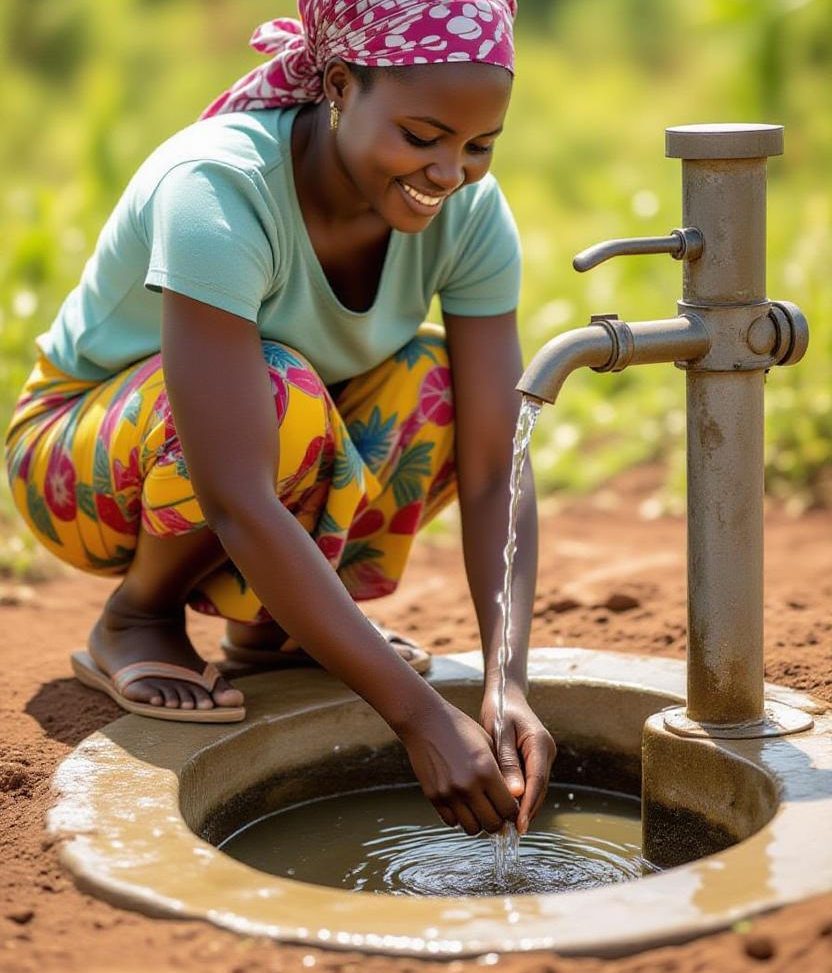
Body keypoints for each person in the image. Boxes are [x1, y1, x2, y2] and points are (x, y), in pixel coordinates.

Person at [4, 0, 556, 837]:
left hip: (273, 439)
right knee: (280, 388)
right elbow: (235, 492)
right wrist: (417, 716)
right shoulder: (219, 188)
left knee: (439, 383)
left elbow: (493, 467)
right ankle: (137, 615)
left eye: (479, 146)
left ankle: (272, 631)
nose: (450, 172)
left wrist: (506, 677)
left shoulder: (468, 214)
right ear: (339, 85)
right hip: (80, 462)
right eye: (421, 135)